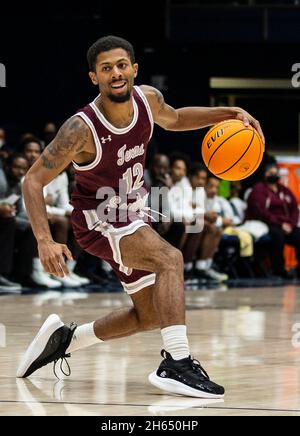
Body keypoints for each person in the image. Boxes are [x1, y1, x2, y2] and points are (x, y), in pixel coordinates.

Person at [17, 35, 264, 398]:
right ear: (94, 78)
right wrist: (44, 239)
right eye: (106, 68)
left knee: (149, 315)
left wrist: (229, 113)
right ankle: (177, 363)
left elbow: (177, 119)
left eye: (121, 65)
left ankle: (65, 340)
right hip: (99, 220)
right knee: (171, 259)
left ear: (134, 69)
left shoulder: (148, 99)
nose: (115, 73)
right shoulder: (80, 128)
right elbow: (33, 179)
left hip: (133, 215)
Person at [247, 163, 300, 278]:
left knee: (298, 234)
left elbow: (294, 209)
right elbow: (260, 211)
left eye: (275, 172)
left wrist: (291, 225)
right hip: (268, 223)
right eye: (270, 172)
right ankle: (279, 270)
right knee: (278, 236)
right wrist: (280, 224)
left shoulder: (284, 190)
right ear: (264, 174)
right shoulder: (259, 189)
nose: (273, 174)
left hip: (287, 224)